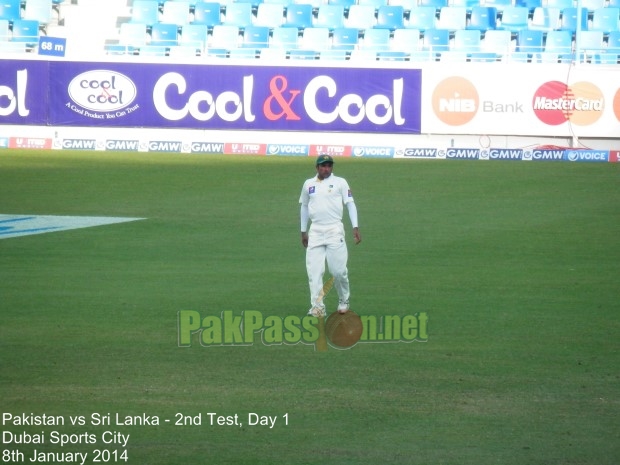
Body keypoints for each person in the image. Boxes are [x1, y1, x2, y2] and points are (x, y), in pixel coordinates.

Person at [299, 155, 362, 317]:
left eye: (329, 166)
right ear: (317, 167)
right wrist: (303, 231)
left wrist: (355, 226)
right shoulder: (309, 184)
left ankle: (343, 299)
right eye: (323, 166)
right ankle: (317, 306)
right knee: (314, 271)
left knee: (338, 271)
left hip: (334, 229)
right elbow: (305, 207)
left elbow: (350, 204)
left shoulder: (340, 182)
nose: (326, 168)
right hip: (316, 231)